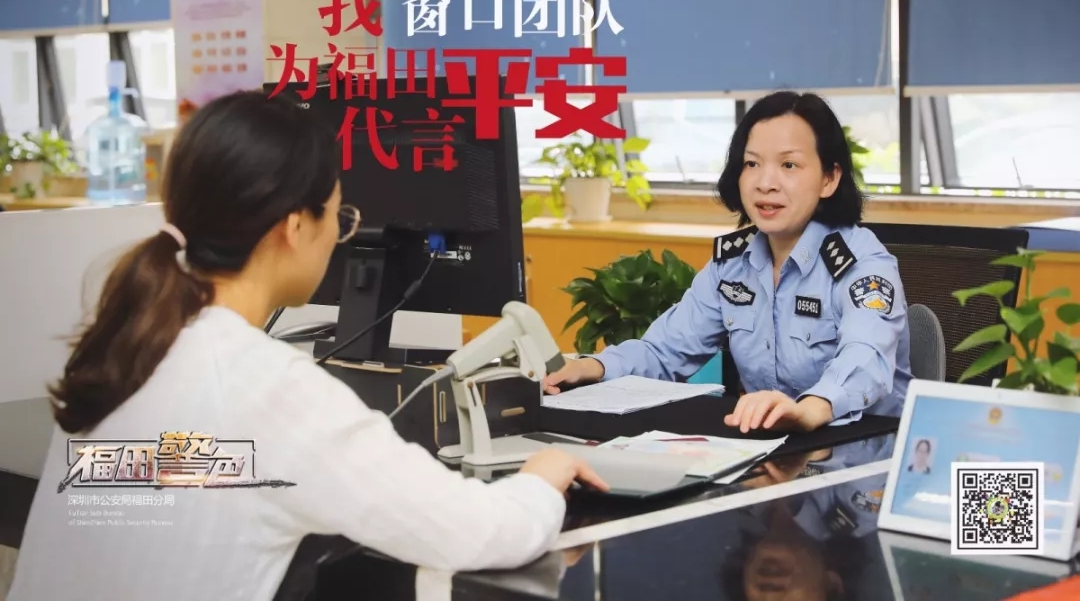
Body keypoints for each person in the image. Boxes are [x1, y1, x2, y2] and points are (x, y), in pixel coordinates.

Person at [9, 91, 607, 601]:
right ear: (295, 227)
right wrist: (540, 478)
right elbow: (477, 533)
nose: (339, 235)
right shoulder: (266, 387)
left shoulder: (130, 345)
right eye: (338, 216)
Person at [544, 91, 912, 433]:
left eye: (789, 165)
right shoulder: (733, 266)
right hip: (772, 451)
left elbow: (867, 358)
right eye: (752, 163)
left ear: (829, 178)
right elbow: (665, 350)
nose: (765, 183)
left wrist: (811, 408)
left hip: (862, 455)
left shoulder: (861, 264)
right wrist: (591, 367)